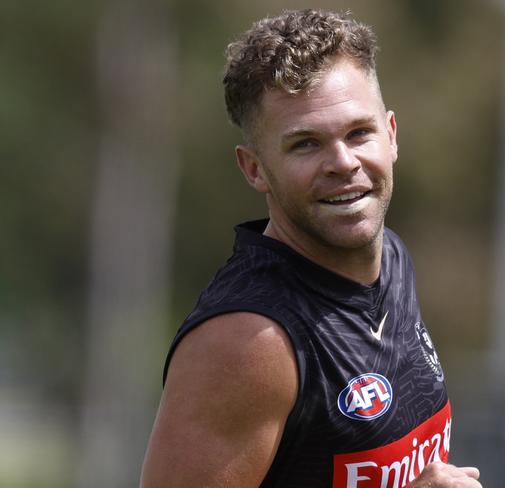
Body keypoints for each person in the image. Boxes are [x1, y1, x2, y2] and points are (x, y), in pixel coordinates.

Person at [141, 9, 481, 488]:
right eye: (305, 144)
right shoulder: (247, 341)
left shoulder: (393, 261)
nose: (343, 162)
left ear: (392, 135)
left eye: (359, 133)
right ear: (254, 169)